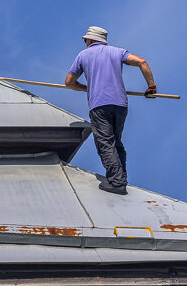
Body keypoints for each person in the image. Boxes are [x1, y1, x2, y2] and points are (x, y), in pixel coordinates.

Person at [64, 26, 156, 195]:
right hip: (120, 104)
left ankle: (117, 182)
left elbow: (69, 83)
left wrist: (86, 88)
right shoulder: (118, 52)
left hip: (99, 104)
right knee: (116, 141)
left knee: (105, 143)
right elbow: (142, 62)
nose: (85, 43)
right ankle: (121, 178)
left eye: (85, 40)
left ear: (90, 39)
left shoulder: (83, 55)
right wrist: (151, 86)